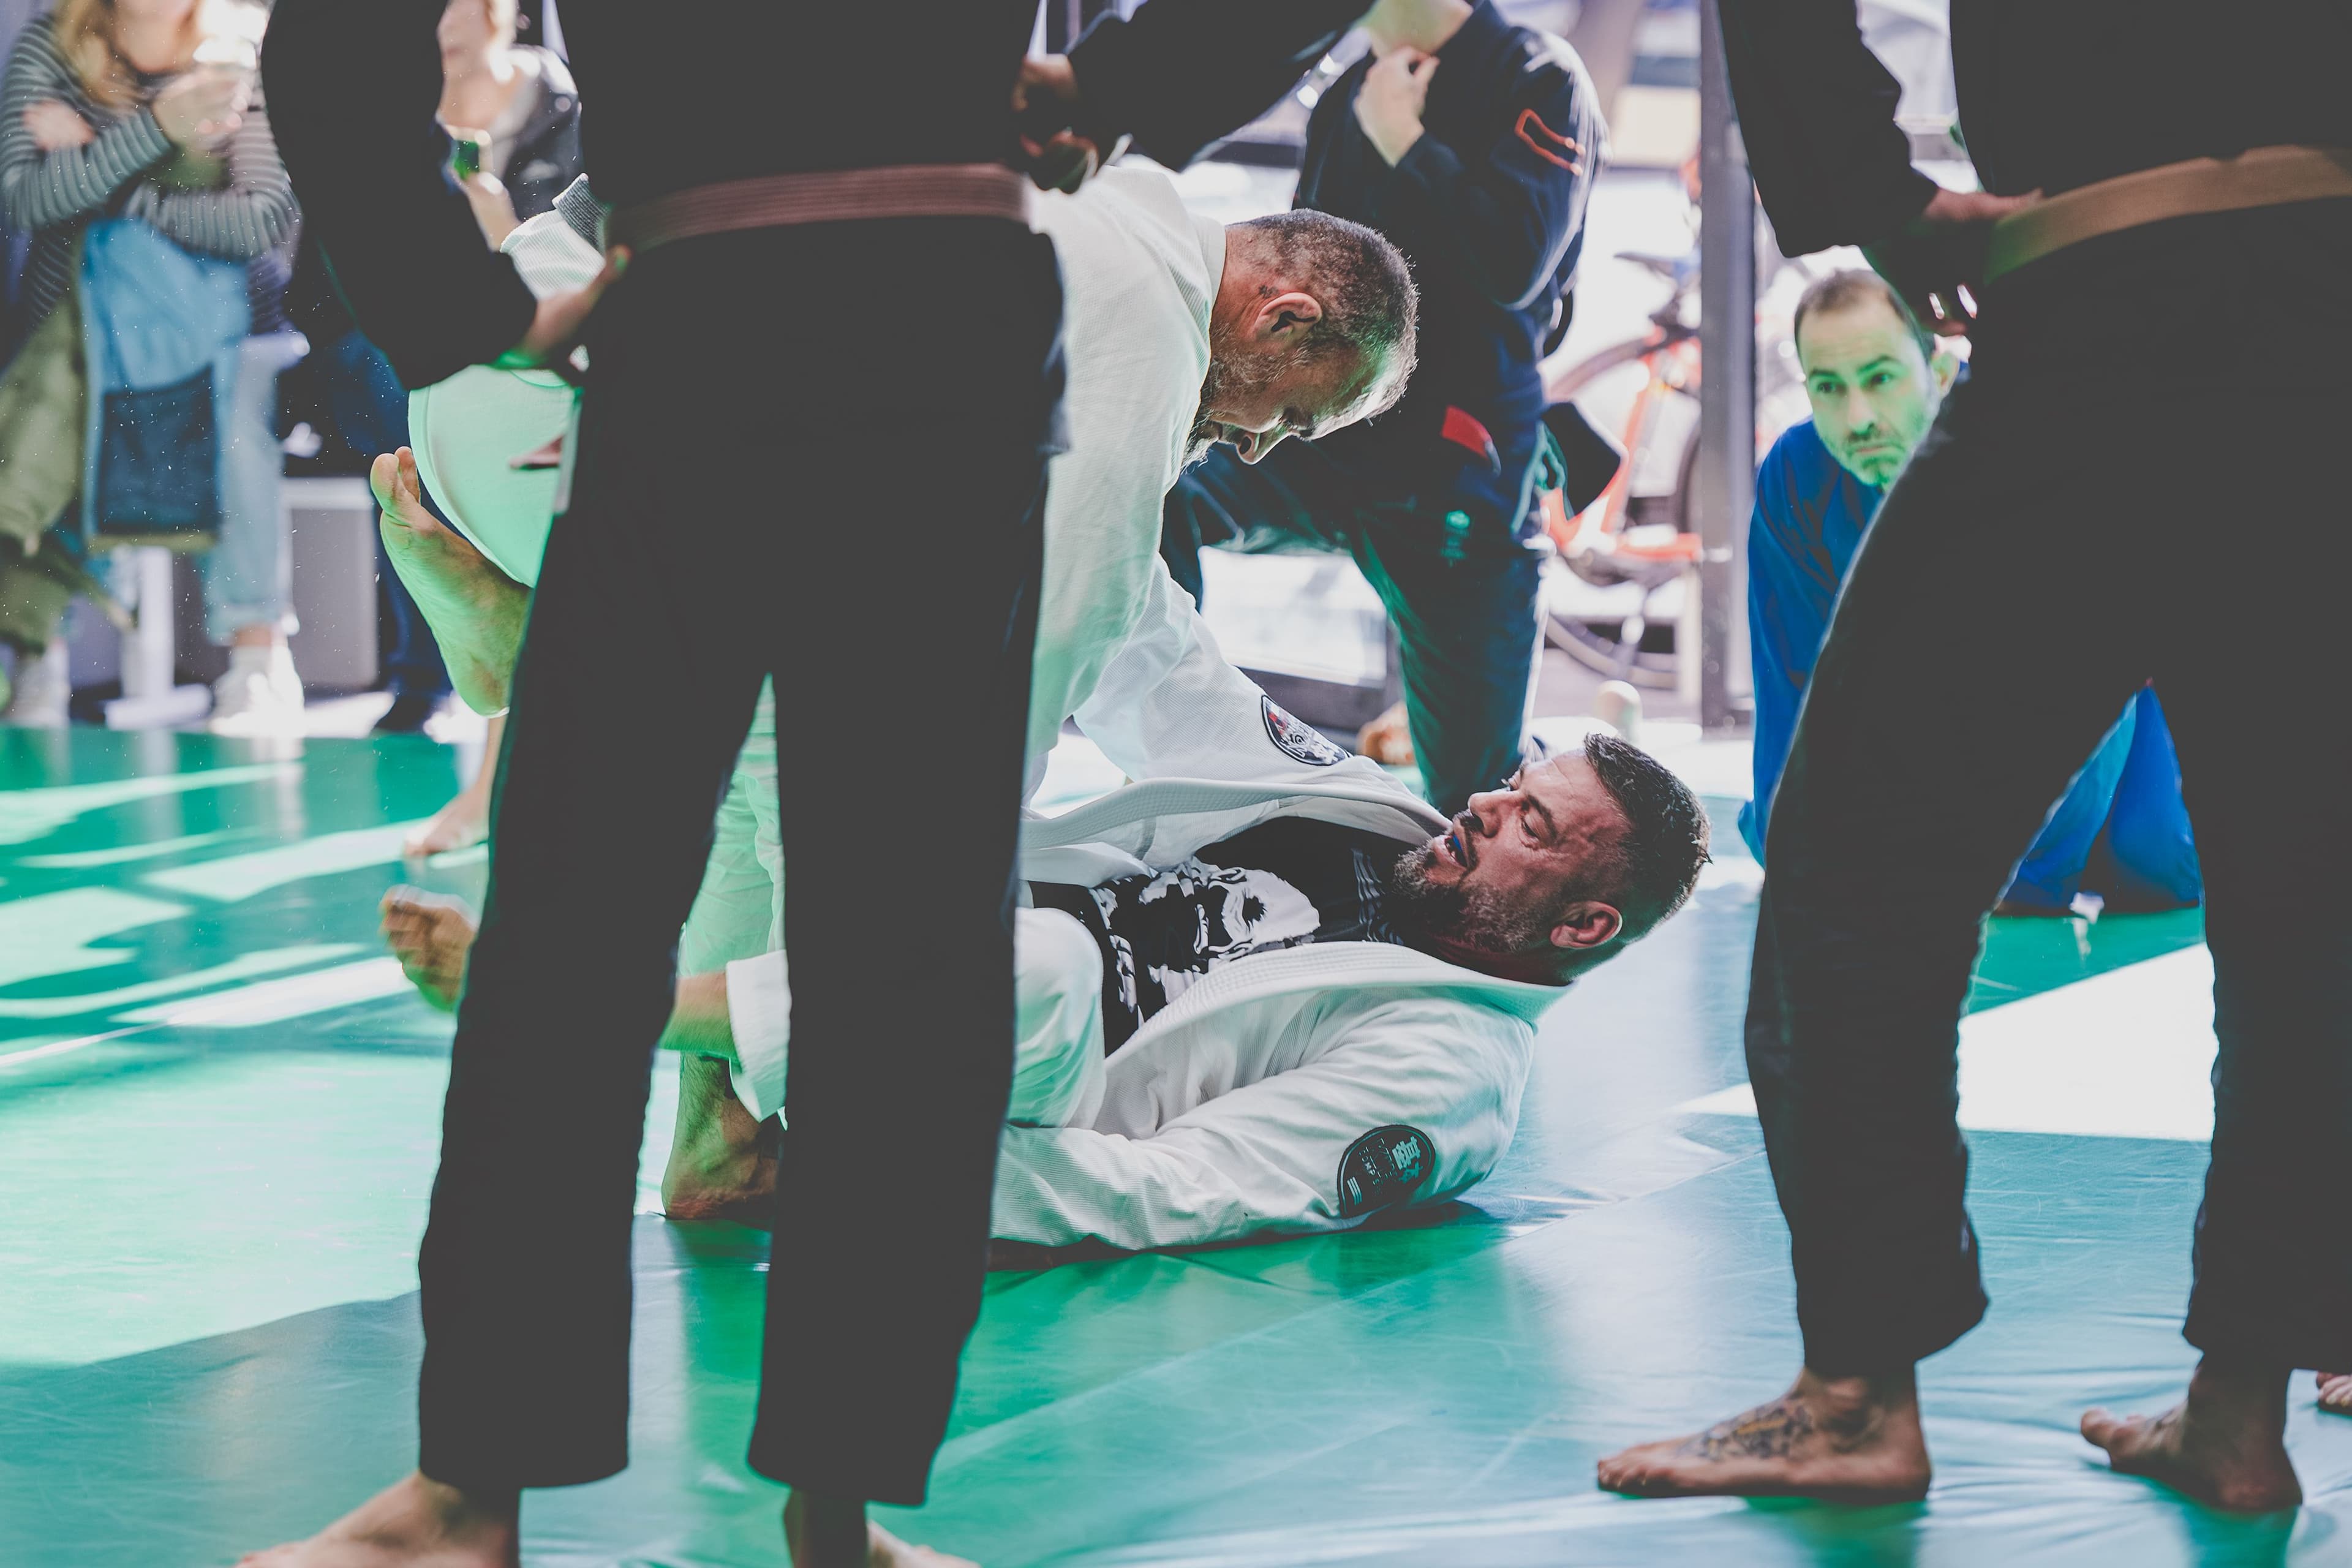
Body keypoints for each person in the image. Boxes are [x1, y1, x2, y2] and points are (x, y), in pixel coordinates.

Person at [252, 4, 1403, 1562]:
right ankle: (808, 1509)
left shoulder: (1133, 257)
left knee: (603, 935)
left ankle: (501, 1496)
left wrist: (431, 294)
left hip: (746, 297)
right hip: (868, 308)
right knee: (878, 960)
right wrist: (1125, 88)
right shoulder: (1131, 252)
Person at [1595, 0, 2352, 1515]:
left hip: (2107, 279)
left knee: (1849, 868)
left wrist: (1868, 199)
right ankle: (2238, 1402)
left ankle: (1856, 1387)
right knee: (2305, 894)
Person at [374, 168, 1418, 1217]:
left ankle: (718, 1128)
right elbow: (1065, 626)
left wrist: (1323, 787)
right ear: (1285, 316)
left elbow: (1133, 621)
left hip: (500, 386)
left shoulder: (1101, 223)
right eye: (1289, 415)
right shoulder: (1149, 324)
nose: (1254, 446)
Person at [383, 704, 1711, 1260]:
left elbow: (1180, 1187)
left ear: (1586, 921)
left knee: (1049, 965)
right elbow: (1173, 673)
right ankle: (520, 640)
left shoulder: (1453, 1072)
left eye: (1533, 824)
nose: (1487, 805)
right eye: (1515, 784)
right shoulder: (1374, 811)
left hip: (1028, 1064)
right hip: (942, 933)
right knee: (822, 724)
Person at [1158, 0, 1602, 816]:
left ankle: (1581, 761)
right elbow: (1303, 265)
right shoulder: (1348, 95)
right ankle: (1164, 748)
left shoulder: (1538, 77)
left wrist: (1408, 145)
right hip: (1316, 445)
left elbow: (1516, 265)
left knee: (1477, 790)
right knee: (1159, 489)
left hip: (1454, 470)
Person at [1743, 269, 2200, 916]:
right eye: (1829, 388)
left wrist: (2018, 878)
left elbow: (2098, 682)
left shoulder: (2034, 446)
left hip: (2123, 698)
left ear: (1936, 363)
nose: (1859, 418)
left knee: (2153, 863)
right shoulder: (1797, 474)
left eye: (1880, 378)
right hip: (1917, 716)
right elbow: (1792, 681)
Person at [0, 0, 299, 732]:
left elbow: (263, 218)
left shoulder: (243, 49)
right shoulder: (53, 45)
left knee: (230, 416)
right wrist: (162, 132)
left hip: (226, 332)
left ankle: (258, 660)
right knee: (66, 394)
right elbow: (30, 202)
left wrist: (108, 170)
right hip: (75, 323)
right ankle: (40, 657)